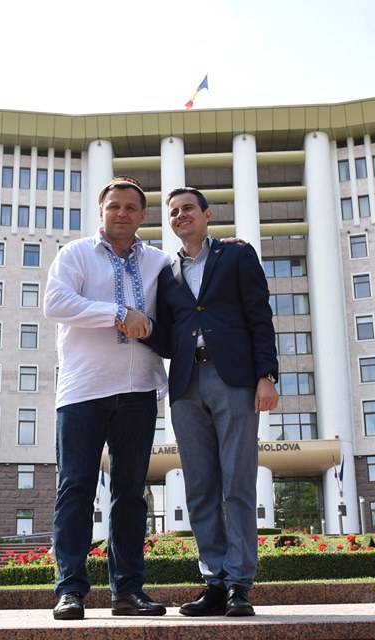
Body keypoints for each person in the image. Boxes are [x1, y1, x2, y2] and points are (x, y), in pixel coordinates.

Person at [143, 187, 279, 617]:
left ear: (207, 214)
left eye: (188, 209)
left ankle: (239, 585)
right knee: (200, 487)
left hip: (233, 379)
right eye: (173, 212)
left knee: (237, 483)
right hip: (185, 385)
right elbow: (169, 336)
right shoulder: (167, 273)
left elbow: (259, 315)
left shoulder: (237, 255)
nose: (180, 215)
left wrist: (266, 375)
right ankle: (214, 582)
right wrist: (141, 327)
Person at [43, 176, 170, 620]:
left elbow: (192, 281)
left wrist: (226, 247)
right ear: (101, 211)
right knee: (75, 488)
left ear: (143, 215)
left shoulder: (158, 261)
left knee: (130, 494)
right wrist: (118, 313)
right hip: (82, 391)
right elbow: (56, 303)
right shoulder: (76, 254)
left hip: (138, 390)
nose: (121, 213)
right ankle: (70, 590)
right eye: (113, 206)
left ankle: (128, 591)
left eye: (131, 207)